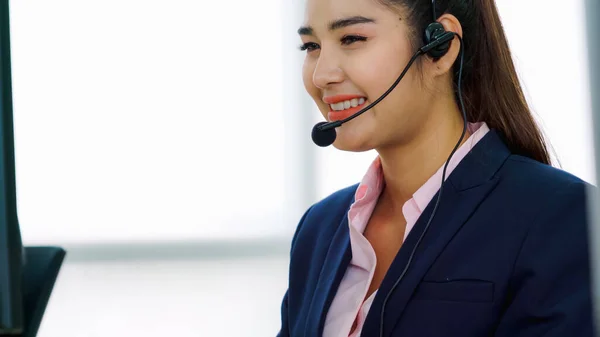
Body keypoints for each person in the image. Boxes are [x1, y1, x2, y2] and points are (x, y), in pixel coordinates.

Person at [277, 0, 595, 336]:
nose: (321, 74)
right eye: (311, 46)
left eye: (352, 38)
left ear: (439, 46)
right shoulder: (319, 229)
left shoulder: (563, 215)